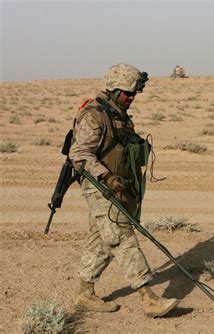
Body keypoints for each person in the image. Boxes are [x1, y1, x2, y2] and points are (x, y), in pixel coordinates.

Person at [69, 63, 180, 318]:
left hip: (117, 186)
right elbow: (79, 154)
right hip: (99, 186)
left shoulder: (118, 113)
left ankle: (84, 293)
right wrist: (106, 176)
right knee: (121, 236)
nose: (132, 98)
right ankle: (148, 298)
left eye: (134, 93)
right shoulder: (94, 114)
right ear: (113, 89)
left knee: (102, 240)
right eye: (127, 93)